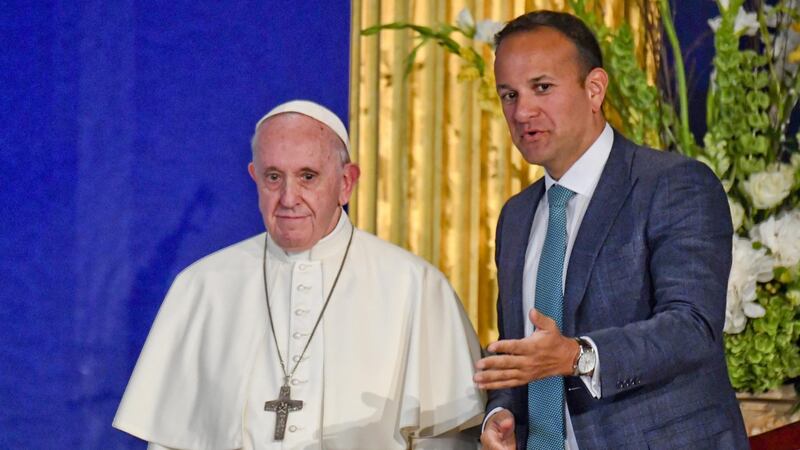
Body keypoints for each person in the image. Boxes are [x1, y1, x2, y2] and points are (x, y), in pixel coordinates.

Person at [113, 100, 485, 449]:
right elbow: (170, 442)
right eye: (274, 177)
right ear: (255, 178)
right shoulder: (202, 287)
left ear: (346, 182)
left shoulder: (416, 287)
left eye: (308, 176)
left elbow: (448, 440)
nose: (289, 198)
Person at [473, 11, 749, 450]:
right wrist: (502, 412)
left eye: (542, 87)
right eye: (509, 94)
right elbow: (523, 354)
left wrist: (577, 356)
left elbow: (692, 327)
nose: (522, 111)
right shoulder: (516, 216)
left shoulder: (672, 184)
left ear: (594, 88)